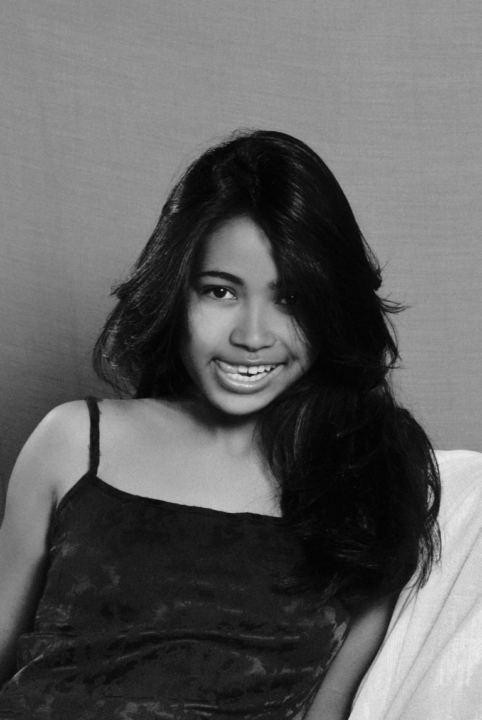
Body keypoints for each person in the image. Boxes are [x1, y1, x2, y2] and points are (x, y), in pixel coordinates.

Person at [0, 130, 441, 720]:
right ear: (175, 294)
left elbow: (329, 709)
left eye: (291, 300)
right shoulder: (73, 441)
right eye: (220, 291)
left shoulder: (370, 474)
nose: (252, 335)